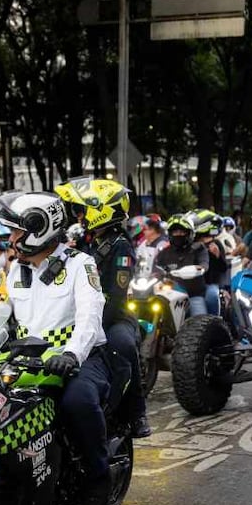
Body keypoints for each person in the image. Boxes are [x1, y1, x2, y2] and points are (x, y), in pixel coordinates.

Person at [0, 191, 112, 505]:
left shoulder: (80, 264)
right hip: (26, 361)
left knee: (76, 403)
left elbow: (91, 315)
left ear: (40, 229)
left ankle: (98, 477)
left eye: (17, 231)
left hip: (80, 358)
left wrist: (73, 354)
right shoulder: (15, 269)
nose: (12, 238)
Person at [56, 177, 150, 439]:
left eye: (83, 209)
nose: (79, 215)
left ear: (102, 210)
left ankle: (137, 412)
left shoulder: (121, 246)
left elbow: (116, 296)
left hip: (113, 316)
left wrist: (91, 324)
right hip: (82, 313)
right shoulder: (86, 241)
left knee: (123, 346)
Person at [155, 214, 209, 317]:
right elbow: (155, 270)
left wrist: (196, 269)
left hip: (193, 296)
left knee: (200, 320)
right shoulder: (164, 253)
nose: (178, 234)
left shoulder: (198, 249)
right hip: (169, 296)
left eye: (182, 231)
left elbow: (204, 265)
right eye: (175, 232)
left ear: (189, 233)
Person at [190, 210, 228, 316]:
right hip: (191, 284)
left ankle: (214, 320)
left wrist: (217, 256)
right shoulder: (188, 244)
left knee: (211, 295)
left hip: (209, 283)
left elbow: (223, 268)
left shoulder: (216, 244)